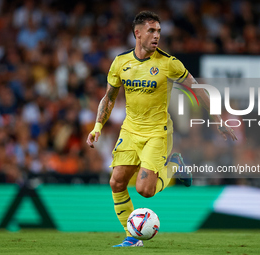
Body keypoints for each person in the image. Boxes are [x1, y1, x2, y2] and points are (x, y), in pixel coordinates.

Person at [86, 11, 237, 247]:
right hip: (130, 131)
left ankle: (175, 165)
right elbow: (109, 98)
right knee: (116, 182)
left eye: (158, 31)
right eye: (151, 31)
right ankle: (132, 237)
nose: (157, 36)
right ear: (137, 33)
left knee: (145, 190)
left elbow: (198, 89)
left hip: (157, 132)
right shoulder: (120, 63)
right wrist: (97, 127)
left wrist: (217, 119)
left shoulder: (169, 63)